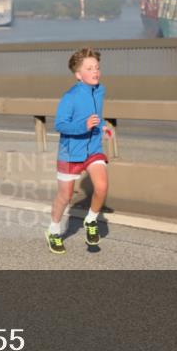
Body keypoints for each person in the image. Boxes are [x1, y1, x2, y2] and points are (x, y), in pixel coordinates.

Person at [48, 47, 108, 254]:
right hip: (70, 152)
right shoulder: (70, 96)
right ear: (78, 74)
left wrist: (103, 128)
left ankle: (90, 220)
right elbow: (60, 125)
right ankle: (54, 230)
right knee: (65, 196)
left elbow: (97, 116)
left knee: (101, 186)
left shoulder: (100, 90)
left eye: (97, 67)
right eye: (89, 68)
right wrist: (83, 126)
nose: (95, 72)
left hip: (93, 149)